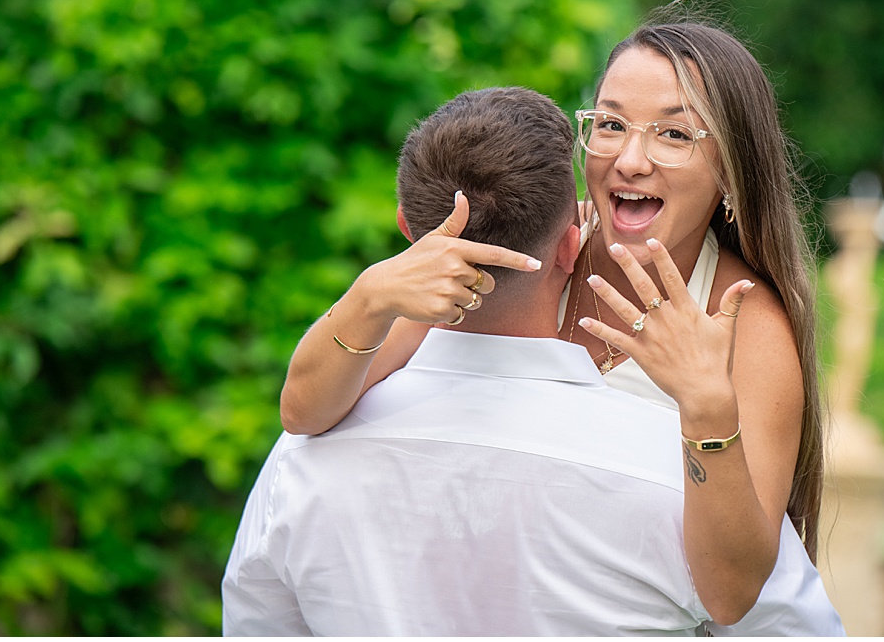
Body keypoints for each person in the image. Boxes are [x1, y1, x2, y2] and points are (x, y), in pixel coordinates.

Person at [222, 87, 842, 635]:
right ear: (571, 234)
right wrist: (372, 294)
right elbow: (303, 409)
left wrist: (708, 409)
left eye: (675, 133)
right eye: (610, 123)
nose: (631, 157)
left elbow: (741, 591)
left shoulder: (748, 330)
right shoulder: (509, 243)